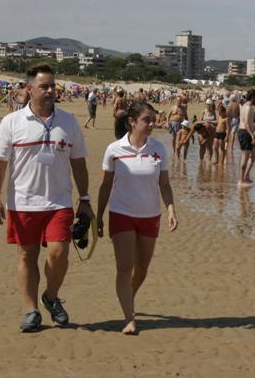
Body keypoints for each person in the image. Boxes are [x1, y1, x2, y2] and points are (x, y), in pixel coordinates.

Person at [0, 64, 92, 332]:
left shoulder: (68, 121)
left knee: (59, 253)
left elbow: (79, 162)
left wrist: (85, 198)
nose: (50, 91)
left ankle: (51, 296)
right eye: (44, 86)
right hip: (23, 202)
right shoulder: (12, 122)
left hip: (59, 202)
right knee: (27, 256)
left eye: (52, 86)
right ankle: (31, 310)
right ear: (29, 88)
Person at [96, 101, 178, 335]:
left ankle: (127, 297)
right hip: (121, 214)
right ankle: (129, 318)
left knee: (141, 270)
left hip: (150, 216)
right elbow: (105, 185)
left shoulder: (158, 149)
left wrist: (171, 208)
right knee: (125, 268)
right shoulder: (114, 150)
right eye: (147, 120)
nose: (153, 124)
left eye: (154, 119)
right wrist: (99, 215)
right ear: (132, 122)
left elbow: (164, 184)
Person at [238, 89, 255, 186]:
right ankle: (241, 180)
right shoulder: (247, 107)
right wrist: (252, 135)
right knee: (245, 157)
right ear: (253, 97)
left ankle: (246, 175)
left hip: (249, 133)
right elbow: (246, 123)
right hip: (245, 132)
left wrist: (253, 134)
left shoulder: (249, 106)